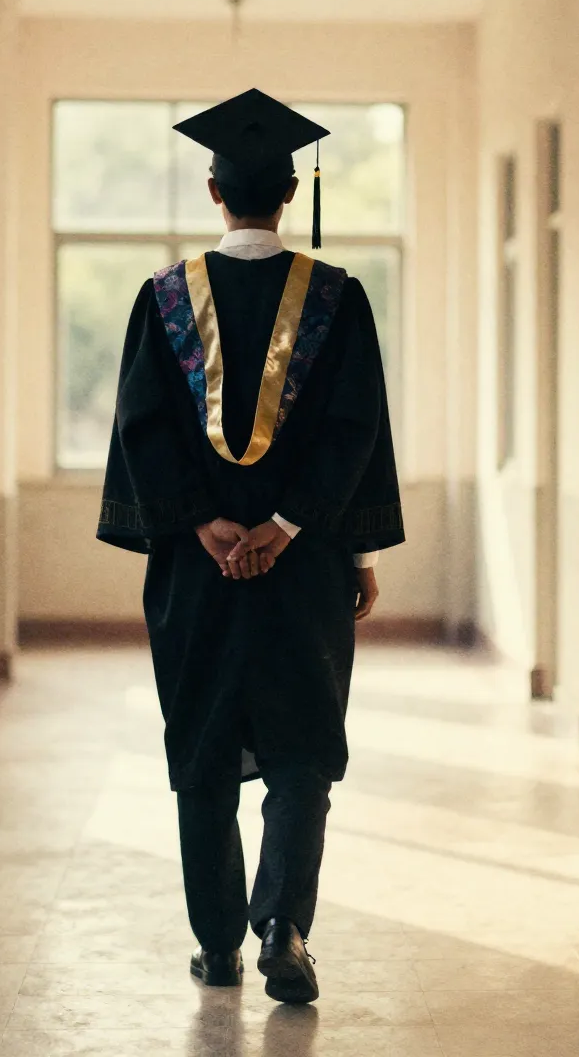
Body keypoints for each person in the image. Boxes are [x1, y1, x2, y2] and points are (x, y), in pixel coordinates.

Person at [95, 88, 402, 1005]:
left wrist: (200, 522)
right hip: (301, 570)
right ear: (289, 191)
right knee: (303, 747)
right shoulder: (338, 300)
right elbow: (356, 432)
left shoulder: (162, 301)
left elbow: (143, 428)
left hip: (198, 572)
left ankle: (219, 945)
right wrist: (308, 534)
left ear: (215, 190)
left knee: (202, 753)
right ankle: (286, 927)